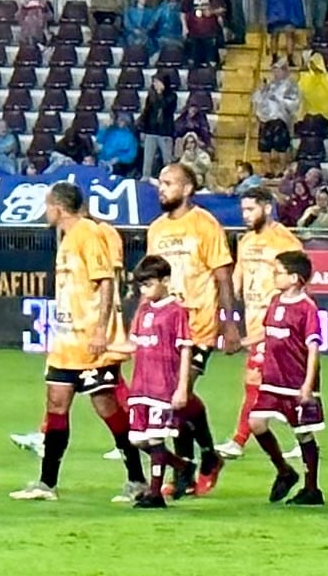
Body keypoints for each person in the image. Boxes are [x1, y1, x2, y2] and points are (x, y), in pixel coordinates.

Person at [12, 181, 143, 503]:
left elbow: (106, 281)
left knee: (106, 407)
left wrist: (101, 330)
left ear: (57, 206)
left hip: (91, 342)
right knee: (56, 405)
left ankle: (137, 479)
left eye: (47, 206)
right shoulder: (69, 239)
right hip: (66, 342)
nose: (46, 212)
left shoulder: (88, 234)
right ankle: (46, 484)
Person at [141, 162, 230, 491]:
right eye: (160, 183)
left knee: (176, 394)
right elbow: (151, 279)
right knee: (177, 397)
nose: (162, 188)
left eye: (169, 183)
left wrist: (229, 323)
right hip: (167, 326)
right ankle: (206, 455)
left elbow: (222, 274)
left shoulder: (205, 224)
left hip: (198, 324)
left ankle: (184, 471)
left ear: (188, 188)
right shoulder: (157, 229)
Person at [218, 180, 306, 470]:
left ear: (267, 209)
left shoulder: (285, 241)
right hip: (254, 319)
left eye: (250, 209)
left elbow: (299, 277)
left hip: (277, 325)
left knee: (255, 381)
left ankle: (238, 440)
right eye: (243, 209)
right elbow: (238, 280)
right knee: (278, 386)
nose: (245, 215)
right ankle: (304, 436)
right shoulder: (245, 241)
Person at [249, 250, 325, 504]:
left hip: (296, 382)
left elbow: (313, 348)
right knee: (256, 423)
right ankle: (283, 470)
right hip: (272, 379)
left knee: (303, 433)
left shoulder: (307, 308)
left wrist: (307, 386)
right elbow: (268, 332)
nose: (274, 276)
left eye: (278, 272)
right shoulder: (275, 301)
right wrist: (241, 342)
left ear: (294, 278)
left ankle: (312, 488)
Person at [123, 255, 194, 508]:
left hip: (163, 386)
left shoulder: (176, 312)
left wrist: (182, 387)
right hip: (140, 384)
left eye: (149, 284)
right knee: (137, 439)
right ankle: (183, 465)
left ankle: (155, 494)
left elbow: (185, 349)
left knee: (155, 439)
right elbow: (134, 343)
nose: (145, 290)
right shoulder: (143, 311)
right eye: (141, 285)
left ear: (165, 281)